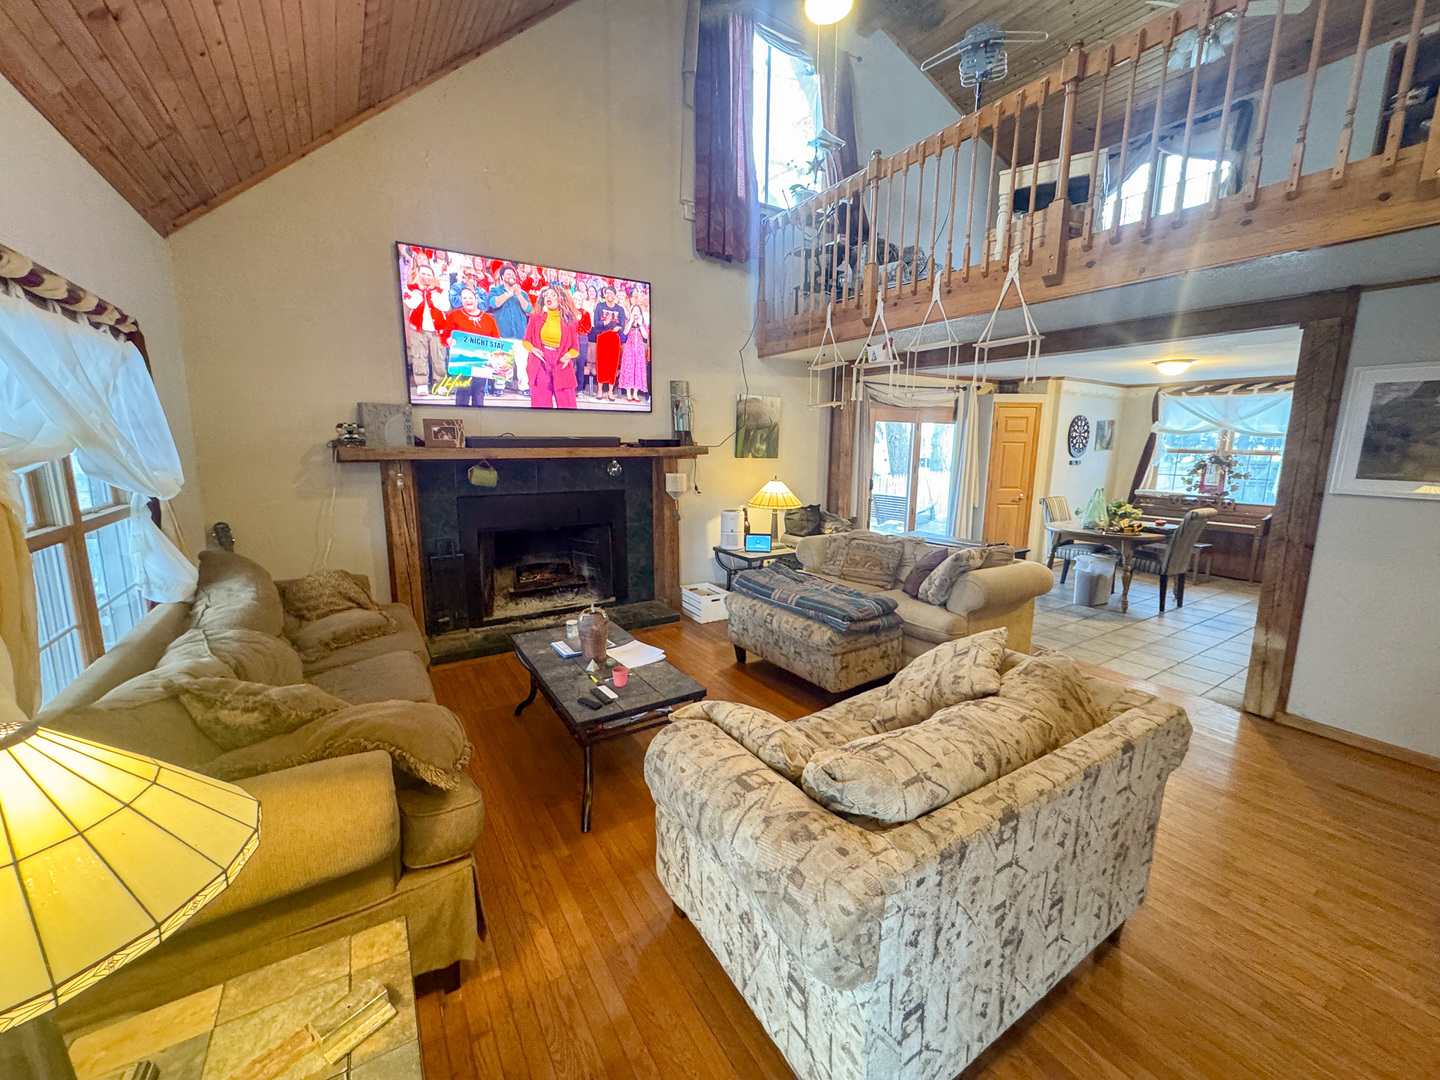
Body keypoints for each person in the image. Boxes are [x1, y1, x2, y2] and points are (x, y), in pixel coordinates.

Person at [521, 284, 580, 408]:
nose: (549, 297)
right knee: (540, 405)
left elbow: (575, 348)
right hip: (540, 362)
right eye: (546, 295)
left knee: (567, 405)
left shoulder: (570, 321)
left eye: (553, 295)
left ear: (561, 299)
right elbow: (526, 340)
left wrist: (569, 355)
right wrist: (532, 349)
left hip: (561, 363)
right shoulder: (536, 317)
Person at [443, 285, 502, 405]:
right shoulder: (454, 315)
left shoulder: (488, 319)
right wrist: (448, 340)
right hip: (462, 363)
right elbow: (445, 336)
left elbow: (496, 341)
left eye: (470, 297)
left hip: (482, 364)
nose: (467, 300)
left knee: (479, 394)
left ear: (476, 299)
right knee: (462, 393)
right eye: (464, 298)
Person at [402, 258, 450, 394]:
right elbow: (411, 304)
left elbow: (444, 306)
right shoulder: (410, 289)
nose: (426, 277)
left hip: (437, 330)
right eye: (423, 274)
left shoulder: (440, 291)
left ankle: (440, 384)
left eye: (429, 274)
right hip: (418, 328)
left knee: (439, 357)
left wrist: (431, 295)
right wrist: (421, 292)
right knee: (419, 356)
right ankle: (422, 384)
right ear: (417, 274)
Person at [590, 284, 626, 401]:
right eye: (607, 293)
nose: (609, 295)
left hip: (614, 338)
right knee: (601, 363)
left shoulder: (619, 309)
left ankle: (611, 391)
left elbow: (622, 324)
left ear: (615, 295)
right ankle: (600, 389)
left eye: (611, 293)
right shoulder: (600, 306)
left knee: (613, 364)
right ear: (605, 295)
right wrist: (605, 323)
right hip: (602, 337)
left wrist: (618, 328)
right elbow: (595, 323)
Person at [618, 290, 649, 402]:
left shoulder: (643, 324)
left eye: (637, 311)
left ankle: (636, 393)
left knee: (638, 370)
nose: (635, 312)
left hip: (639, 350)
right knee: (629, 369)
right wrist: (631, 321)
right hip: (629, 349)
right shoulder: (628, 323)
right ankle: (628, 393)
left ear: (640, 313)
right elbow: (625, 333)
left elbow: (645, 335)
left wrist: (640, 324)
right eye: (634, 310)